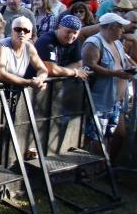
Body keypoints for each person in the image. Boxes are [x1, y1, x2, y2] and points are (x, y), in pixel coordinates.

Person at [82, 12, 135, 160]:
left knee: (118, 135)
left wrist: (130, 69)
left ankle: (107, 167)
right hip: (100, 100)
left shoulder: (117, 43)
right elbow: (89, 67)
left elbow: (126, 60)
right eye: (120, 27)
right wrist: (115, 73)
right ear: (111, 27)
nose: (123, 31)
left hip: (116, 101)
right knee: (97, 138)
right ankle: (91, 170)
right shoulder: (93, 43)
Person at [0, 16, 48, 91]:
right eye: (18, 29)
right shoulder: (1, 46)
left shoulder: (29, 47)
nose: (22, 32)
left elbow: (42, 69)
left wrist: (40, 80)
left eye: (26, 30)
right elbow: (0, 74)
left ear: (30, 34)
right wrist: (29, 82)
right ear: (12, 32)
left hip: (9, 93)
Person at [33, 14, 89, 80]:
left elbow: (78, 64)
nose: (71, 36)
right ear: (59, 27)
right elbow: (51, 70)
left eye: (75, 33)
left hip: (57, 82)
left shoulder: (74, 40)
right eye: (68, 31)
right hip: (35, 81)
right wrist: (75, 72)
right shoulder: (46, 41)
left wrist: (61, 71)